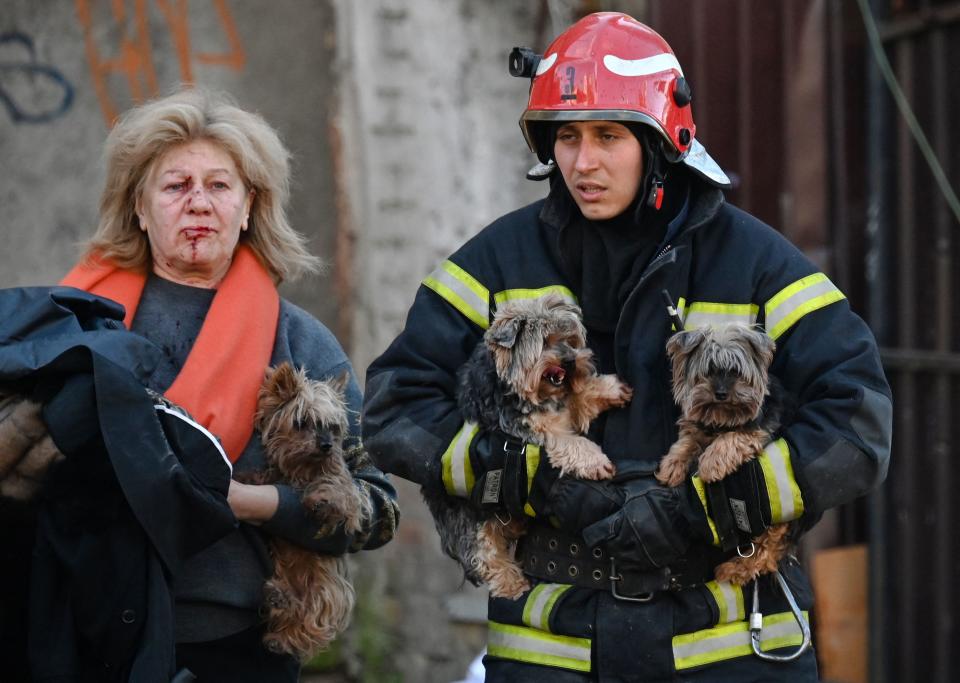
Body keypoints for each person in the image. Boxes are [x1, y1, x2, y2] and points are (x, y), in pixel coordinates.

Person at [363, 12, 891, 682]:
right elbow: (394, 409)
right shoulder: (496, 262)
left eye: (609, 135)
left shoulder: (757, 264)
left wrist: (711, 510)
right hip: (553, 648)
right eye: (568, 137)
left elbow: (858, 422)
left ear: (661, 140)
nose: (584, 162)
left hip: (731, 647)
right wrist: (534, 482)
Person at [53, 87, 399, 680]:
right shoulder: (73, 323)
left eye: (218, 186)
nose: (197, 203)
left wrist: (254, 503)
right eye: (174, 186)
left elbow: (378, 510)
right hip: (82, 633)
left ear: (248, 208)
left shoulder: (298, 340)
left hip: (234, 649)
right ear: (139, 207)